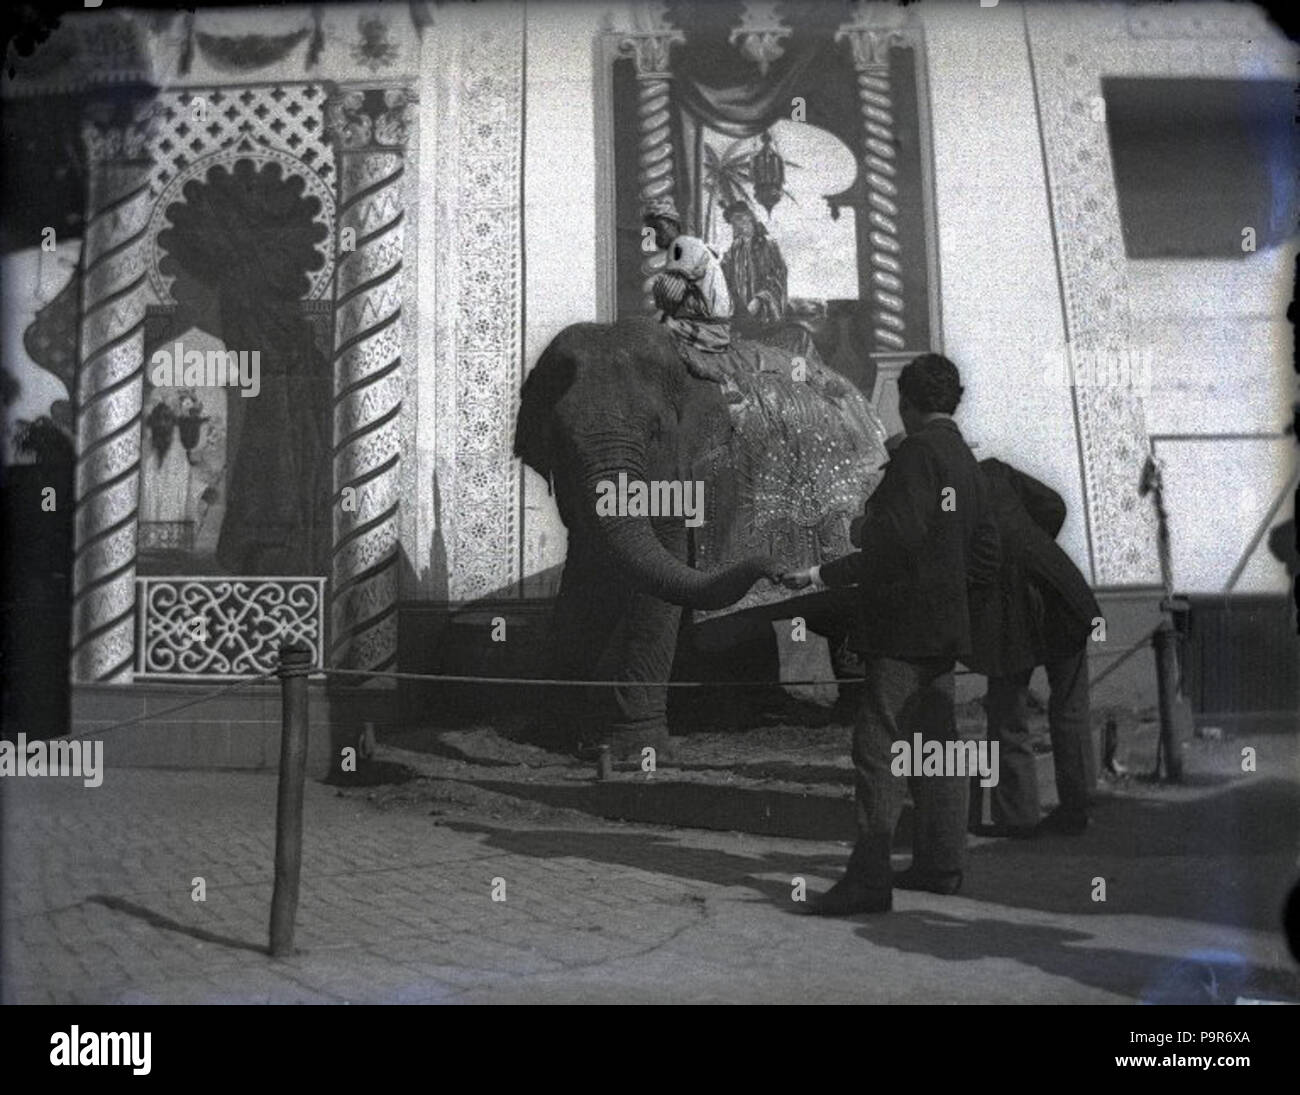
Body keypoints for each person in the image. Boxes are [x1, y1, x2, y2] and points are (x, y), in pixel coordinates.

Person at [782, 354, 1001, 914]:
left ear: (906, 401)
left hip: (903, 629)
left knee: (877, 748)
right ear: (954, 400)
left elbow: (896, 536)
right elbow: (986, 554)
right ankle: (941, 864)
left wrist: (859, 529)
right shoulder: (966, 461)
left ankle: (869, 880)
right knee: (937, 747)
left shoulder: (918, 454)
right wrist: (951, 600)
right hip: (945, 632)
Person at [966, 458, 1101, 837]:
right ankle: (1078, 808)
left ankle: (1018, 817)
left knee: (1008, 709)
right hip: (1060, 591)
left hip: (1009, 608)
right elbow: (1054, 505)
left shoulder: (943, 491)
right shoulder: (994, 471)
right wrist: (1033, 543)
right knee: (1071, 706)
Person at [721, 201, 787, 327]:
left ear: (750, 216)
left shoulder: (768, 244)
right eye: (733, 221)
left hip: (765, 313)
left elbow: (777, 278)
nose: (737, 224)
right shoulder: (735, 249)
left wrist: (759, 299)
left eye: (740, 218)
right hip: (741, 314)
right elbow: (725, 275)